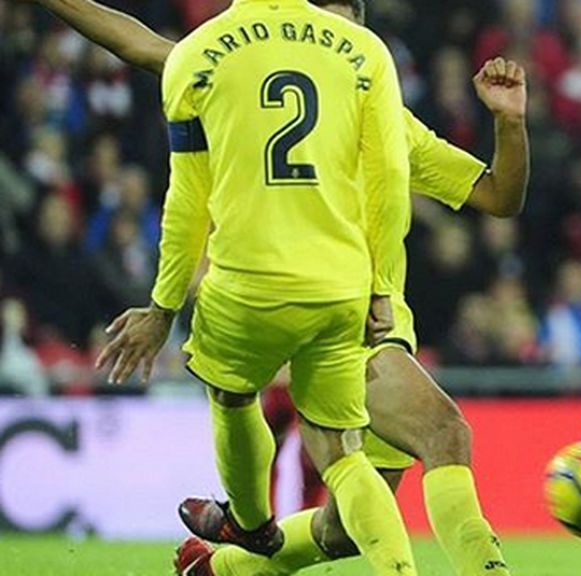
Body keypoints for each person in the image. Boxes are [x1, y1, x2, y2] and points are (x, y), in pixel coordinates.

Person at [36, 1, 528, 574]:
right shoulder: (244, 62)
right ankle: (486, 569)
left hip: (360, 313)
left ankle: (221, 565)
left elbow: (498, 197)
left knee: (342, 531)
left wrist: (509, 124)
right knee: (443, 433)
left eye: (344, 26)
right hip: (349, 313)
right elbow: (139, 45)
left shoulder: (382, 111)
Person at [92, 0, 420, 575]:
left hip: (247, 284)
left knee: (233, 395)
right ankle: (401, 571)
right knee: (344, 452)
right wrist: (383, 286)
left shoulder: (196, 53)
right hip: (341, 284)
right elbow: (391, 180)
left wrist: (163, 307)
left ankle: (251, 523)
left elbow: (187, 201)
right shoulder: (363, 50)